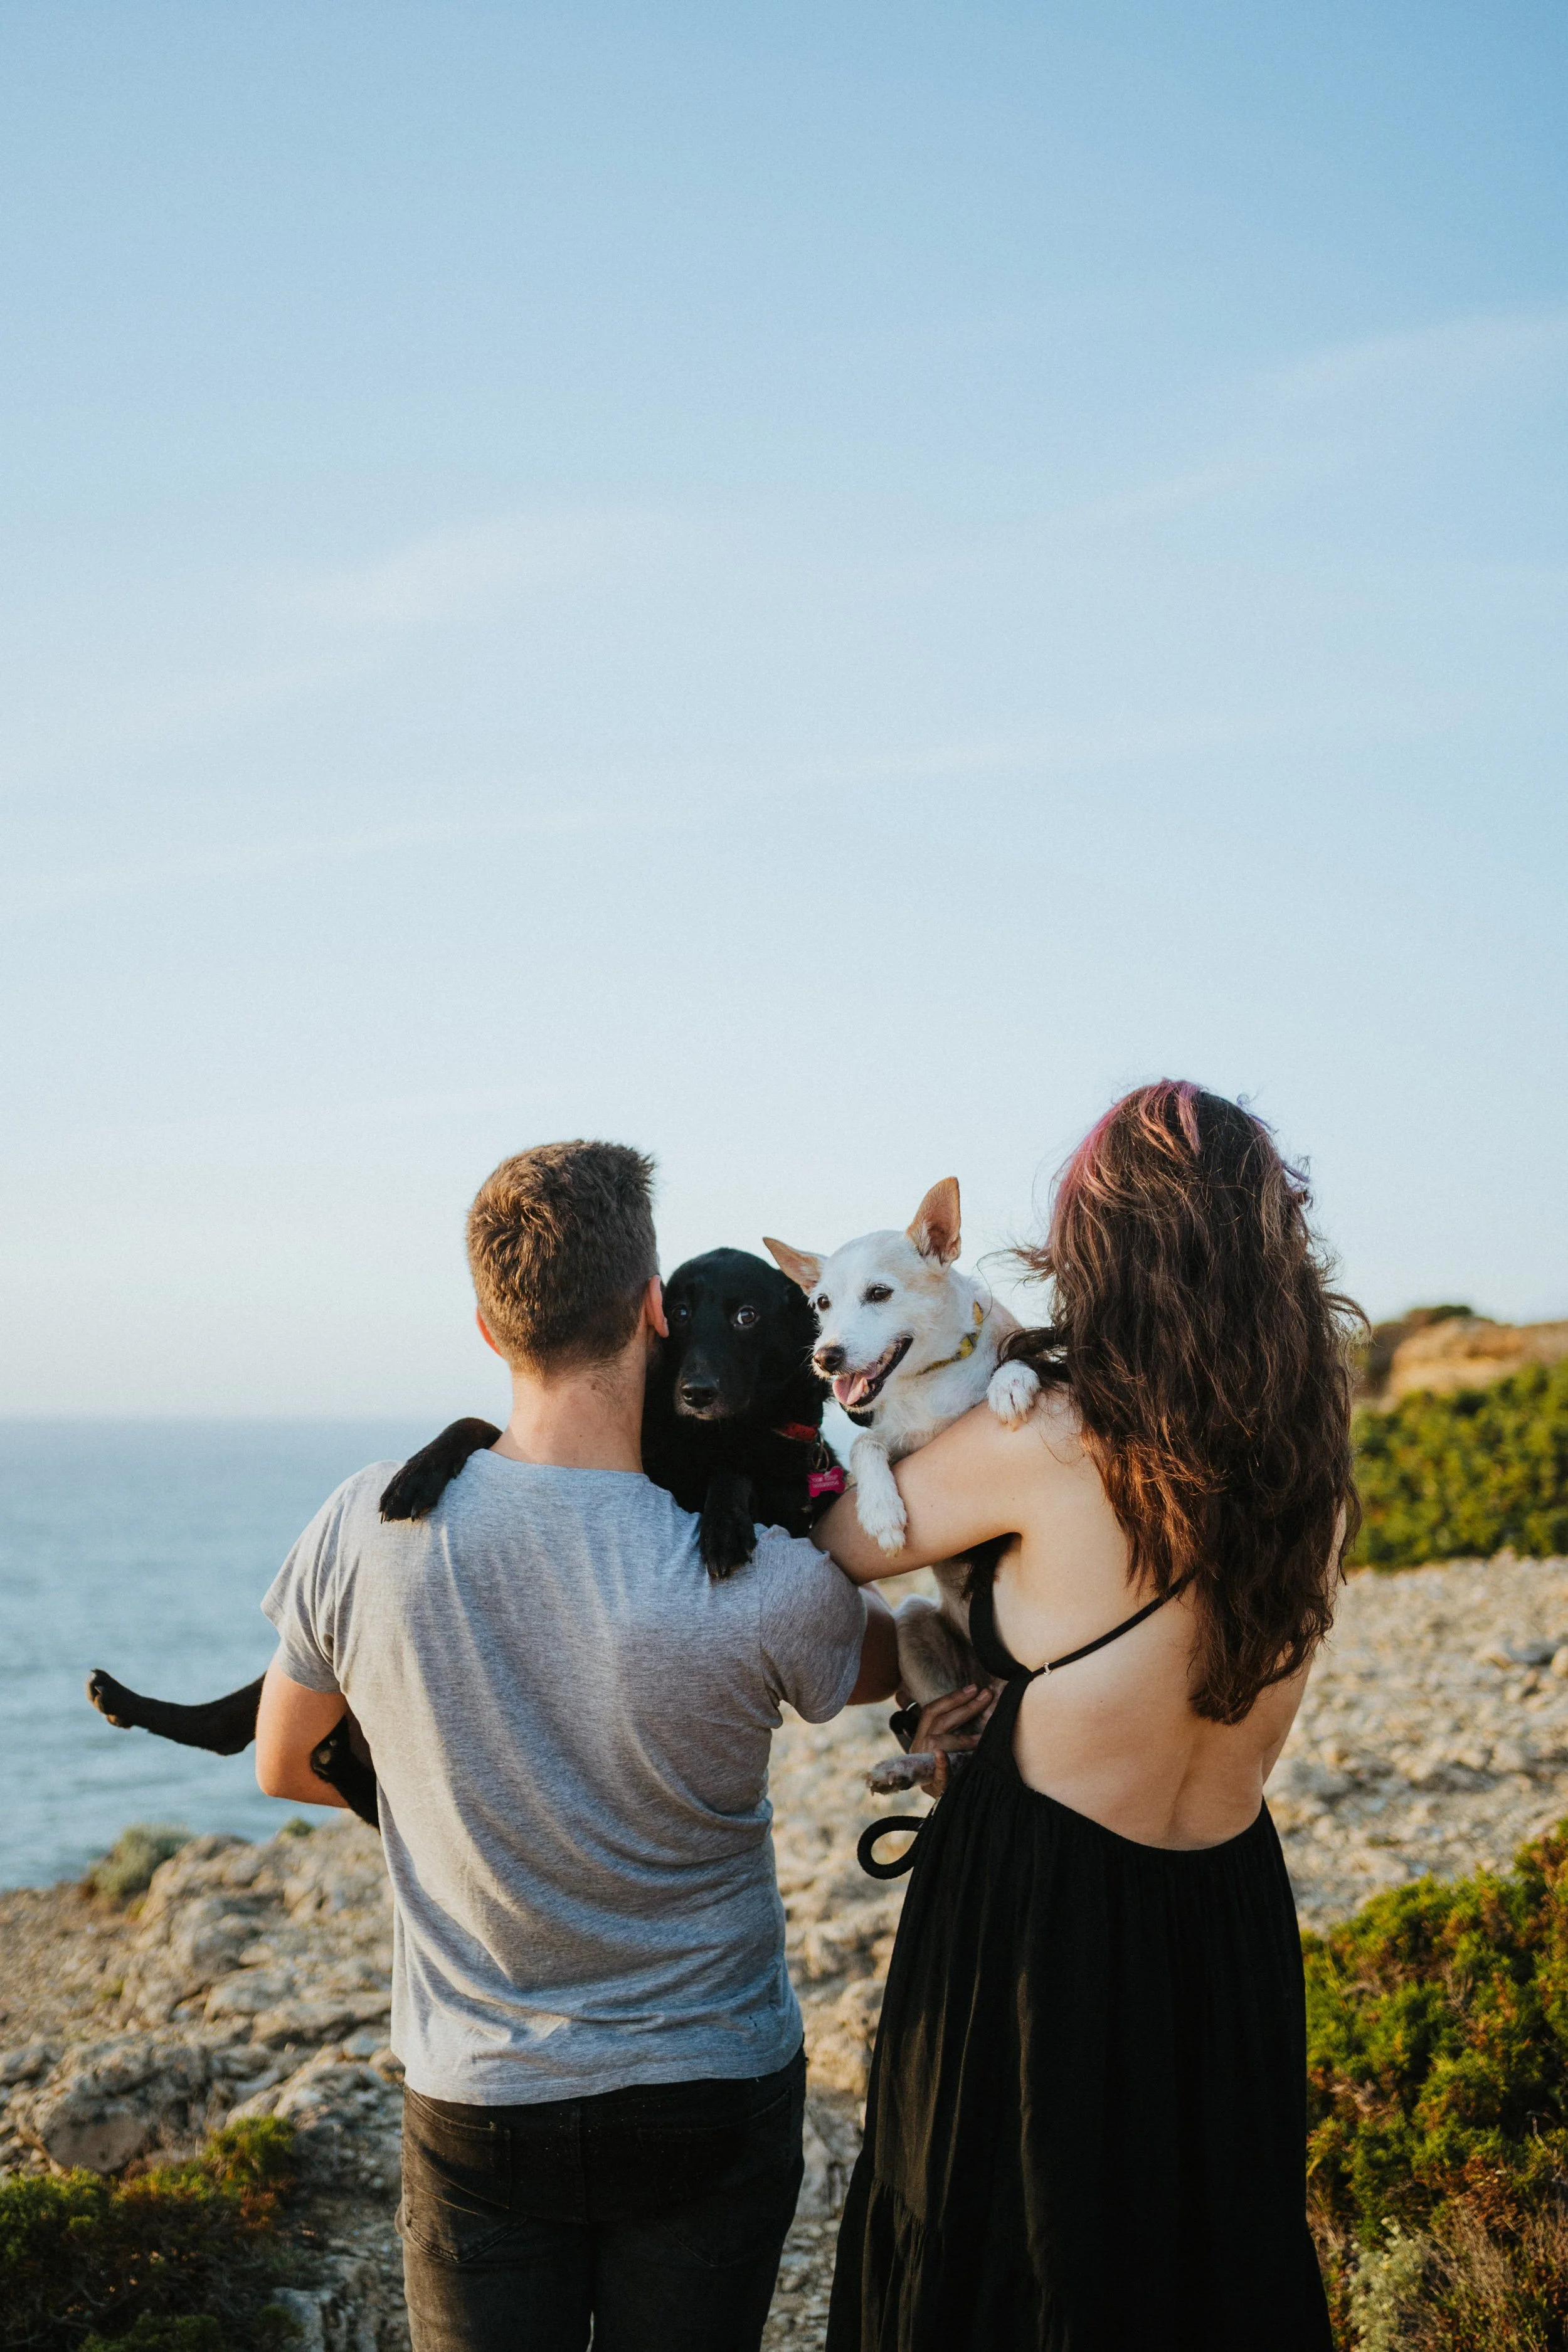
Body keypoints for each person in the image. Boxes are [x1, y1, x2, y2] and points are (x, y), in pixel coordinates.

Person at [253, 1140, 898, 2352]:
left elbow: (283, 1762)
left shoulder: (364, 1520)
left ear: (491, 1332)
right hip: (711, 2081)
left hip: (481, 2092)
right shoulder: (768, 1581)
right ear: (656, 1310)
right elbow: (895, 1660)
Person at [813, 1083, 1359, 2352]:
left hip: (1039, 1919)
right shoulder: (1313, 1465)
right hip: (1224, 1914)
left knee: (1002, 2277)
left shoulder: (1048, 1437)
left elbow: (833, 1544)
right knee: (1200, 2272)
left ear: (1098, 1255)